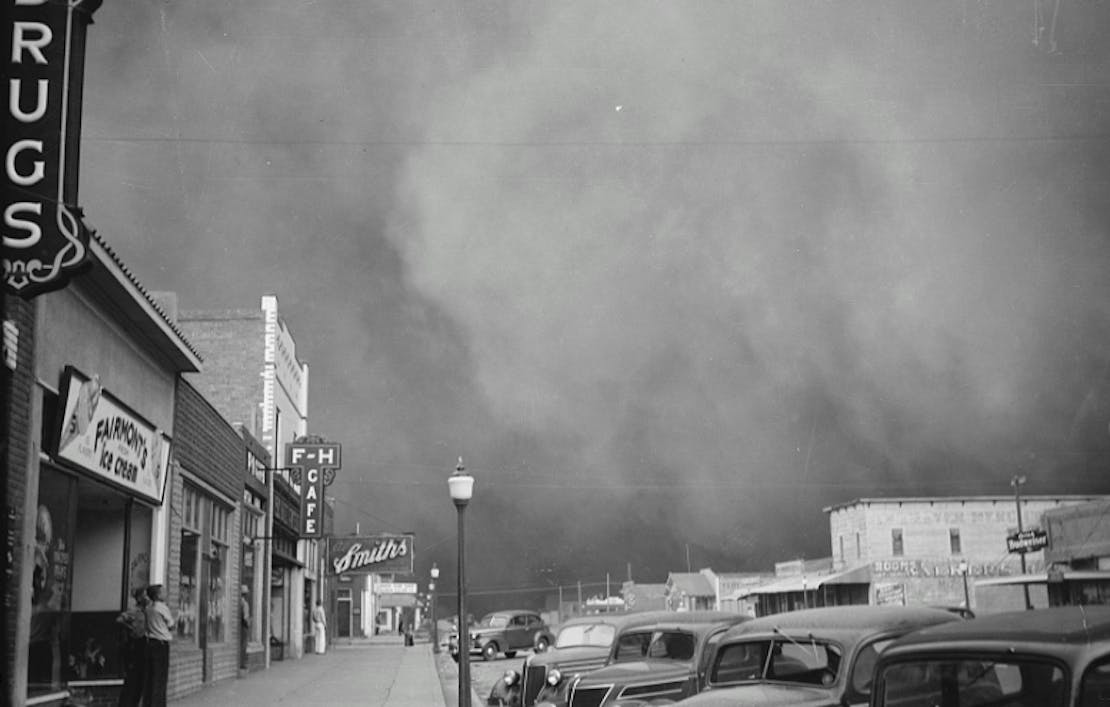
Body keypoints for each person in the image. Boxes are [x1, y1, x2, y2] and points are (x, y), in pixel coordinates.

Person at [116, 587, 148, 706]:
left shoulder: (148, 611)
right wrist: (131, 628)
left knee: (141, 678)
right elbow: (119, 619)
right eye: (145, 595)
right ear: (139, 597)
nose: (147, 598)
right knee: (132, 677)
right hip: (136, 645)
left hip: (145, 644)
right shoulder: (134, 611)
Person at [143, 584, 174, 707]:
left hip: (150, 643)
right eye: (163, 592)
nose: (166, 594)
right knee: (160, 678)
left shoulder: (148, 607)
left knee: (151, 677)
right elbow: (171, 624)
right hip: (161, 644)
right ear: (157, 595)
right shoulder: (162, 607)